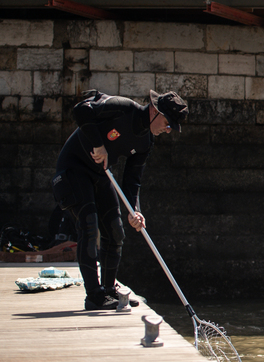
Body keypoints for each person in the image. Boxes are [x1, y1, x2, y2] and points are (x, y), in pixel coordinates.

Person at [52, 89, 187, 311]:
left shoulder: (146, 142)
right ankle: (94, 296)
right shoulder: (122, 108)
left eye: (172, 126)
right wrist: (98, 144)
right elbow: (81, 110)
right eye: (167, 123)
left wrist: (135, 211)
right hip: (73, 169)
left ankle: (108, 290)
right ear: (154, 110)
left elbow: (132, 181)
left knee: (116, 231)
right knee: (89, 226)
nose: (168, 129)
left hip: (100, 174)